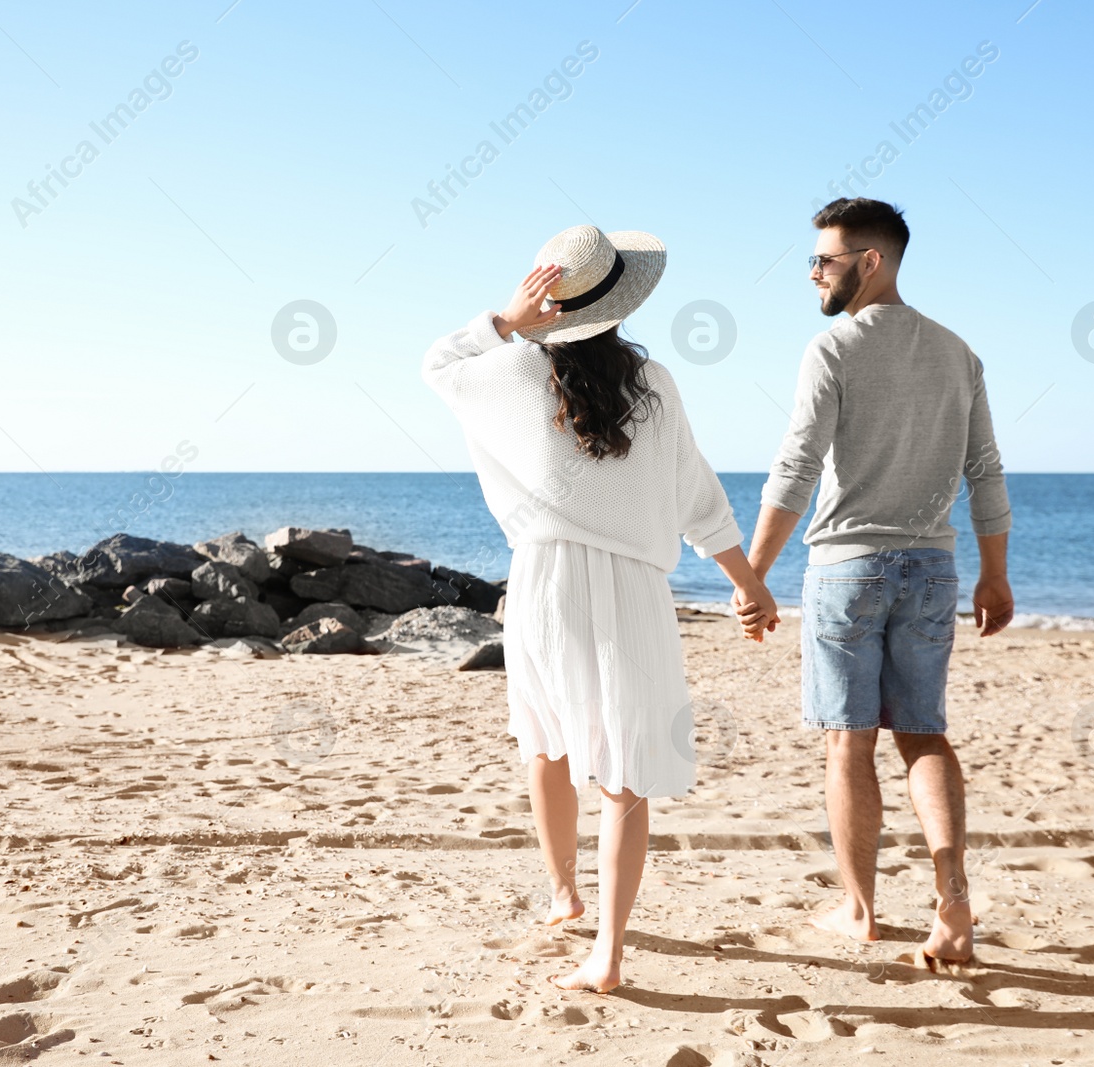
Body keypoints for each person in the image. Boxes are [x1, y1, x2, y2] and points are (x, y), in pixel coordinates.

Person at [422, 224, 776, 993]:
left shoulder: (510, 370)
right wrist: (746, 581)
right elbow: (698, 495)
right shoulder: (652, 385)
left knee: (545, 743)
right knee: (624, 777)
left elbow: (437, 363)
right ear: (621, 302)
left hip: (544, 583)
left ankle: (563, 895)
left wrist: (509, 319)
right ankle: (606, 954)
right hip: (633, 593)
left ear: (553, 299)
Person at [737, 198, 1015, 967]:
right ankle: (952, 900)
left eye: (824, 260)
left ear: (871, 261)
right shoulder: (958, 352)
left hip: (848, 570)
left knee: (848, 742)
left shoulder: (833, 348)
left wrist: (753, 571)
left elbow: (795, 467)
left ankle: (860, 911)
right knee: (924, 733)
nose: (812, 274)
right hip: (931, 567)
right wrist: (994, 573)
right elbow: (984, 471)